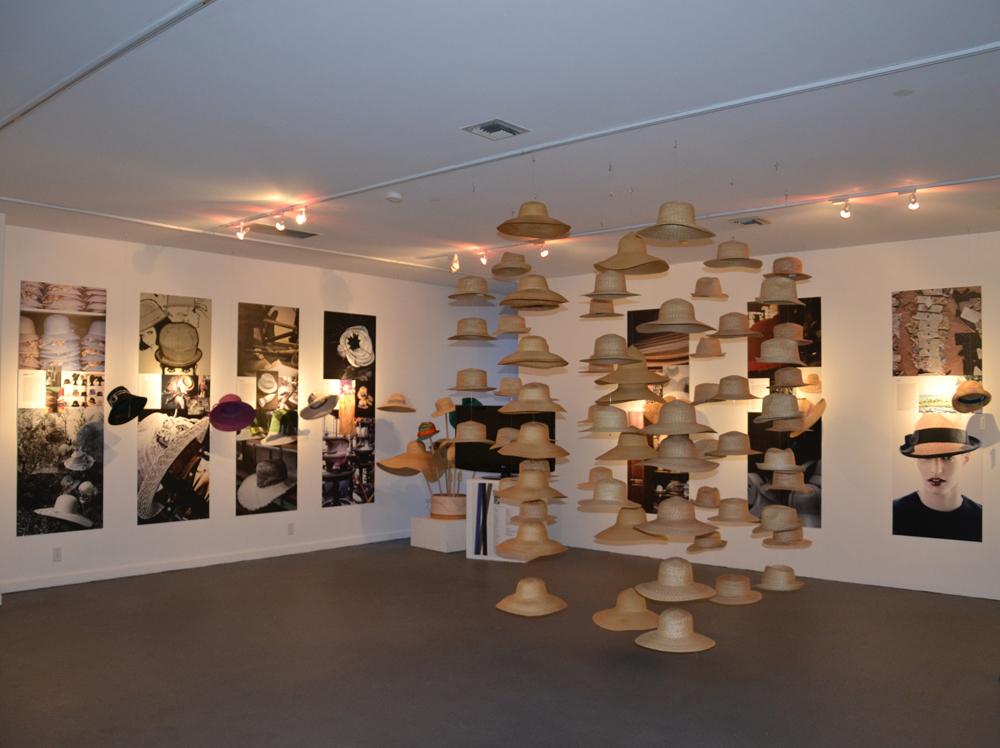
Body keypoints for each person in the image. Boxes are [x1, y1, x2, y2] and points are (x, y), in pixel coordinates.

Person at [893, 413, 981, 542]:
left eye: (947, 457)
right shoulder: (894, 513)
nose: (936, 470)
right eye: (926, 457)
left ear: (966, 459)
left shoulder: (981, 518)